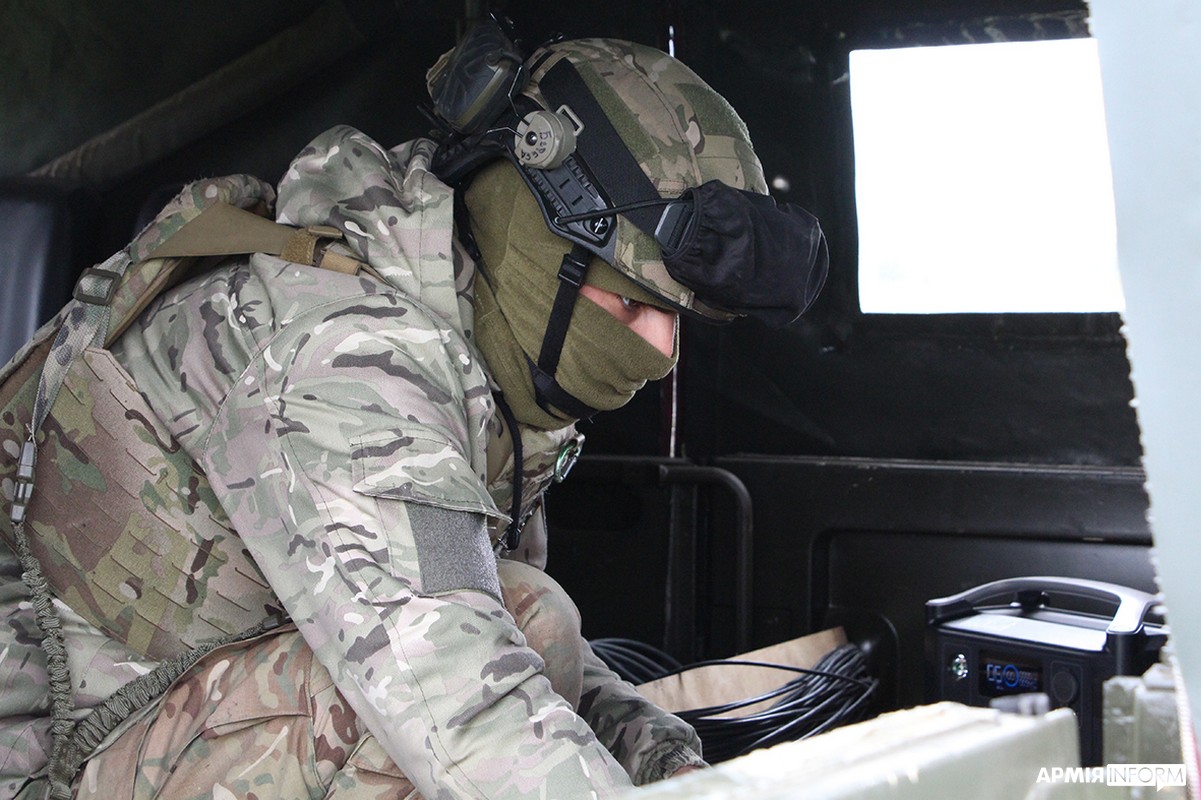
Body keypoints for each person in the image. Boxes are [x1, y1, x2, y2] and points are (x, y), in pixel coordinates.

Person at [0, 26, 827, 800]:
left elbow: (487, 627)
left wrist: (666, 762)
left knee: (532, 617)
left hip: (190, 707)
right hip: (63, 756)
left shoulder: (461, 346)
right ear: (536, 240)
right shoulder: (344, 357)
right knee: (394, 728)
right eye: (634, 304)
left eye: (679, 320)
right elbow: (455, 705)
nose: (660, 351)